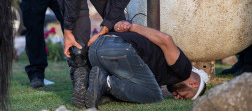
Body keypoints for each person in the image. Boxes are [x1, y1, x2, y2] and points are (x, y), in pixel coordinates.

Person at [73, 20, 209, 109]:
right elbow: (166, 40)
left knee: (136, 87)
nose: (177, 97)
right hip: (118, 49)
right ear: (194, 84)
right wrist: (132, 26)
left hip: (98, 48)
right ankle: (106, 82)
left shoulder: (166, 75)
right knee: (154, 95)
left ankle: (87, 84)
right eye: (184, 96)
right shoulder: (184, 69)